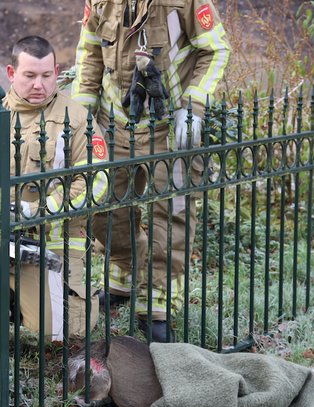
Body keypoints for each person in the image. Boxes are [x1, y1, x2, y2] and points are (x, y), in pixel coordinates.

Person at [71, 0, 231, 342]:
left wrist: (194, 105)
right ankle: (126, 272)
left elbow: (216, 49)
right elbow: (89, 51)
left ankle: (156, 302)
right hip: (113, 122)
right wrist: (80, 112)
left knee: (170, 215)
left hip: (169, 126)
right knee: (102, 207)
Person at [0, 35, 108, 342]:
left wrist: (37, 210)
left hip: (51, 247)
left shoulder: (76, 119)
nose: (40, 85)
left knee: (64, 334)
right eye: (30, 76)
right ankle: (9, 305)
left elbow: (95, 181)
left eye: (47, 76)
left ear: (57, 71)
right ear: (11, 74)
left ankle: (27, 305)